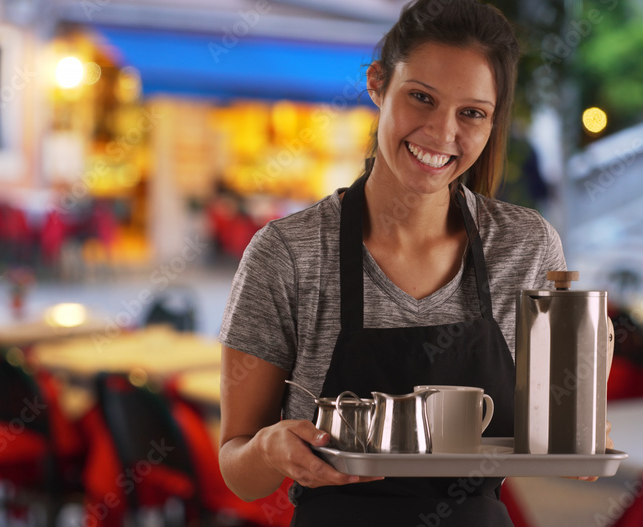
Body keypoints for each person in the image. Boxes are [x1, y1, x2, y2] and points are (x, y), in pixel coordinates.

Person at [219, 1, 611, 524]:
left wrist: (578, 427)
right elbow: (237, 468)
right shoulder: (289, 254)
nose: (441, 132)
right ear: (377, 83)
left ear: (493, 122)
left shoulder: (525, 246)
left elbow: (552, 421)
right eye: (421, 98)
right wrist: (268, 450)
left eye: (471, 112)